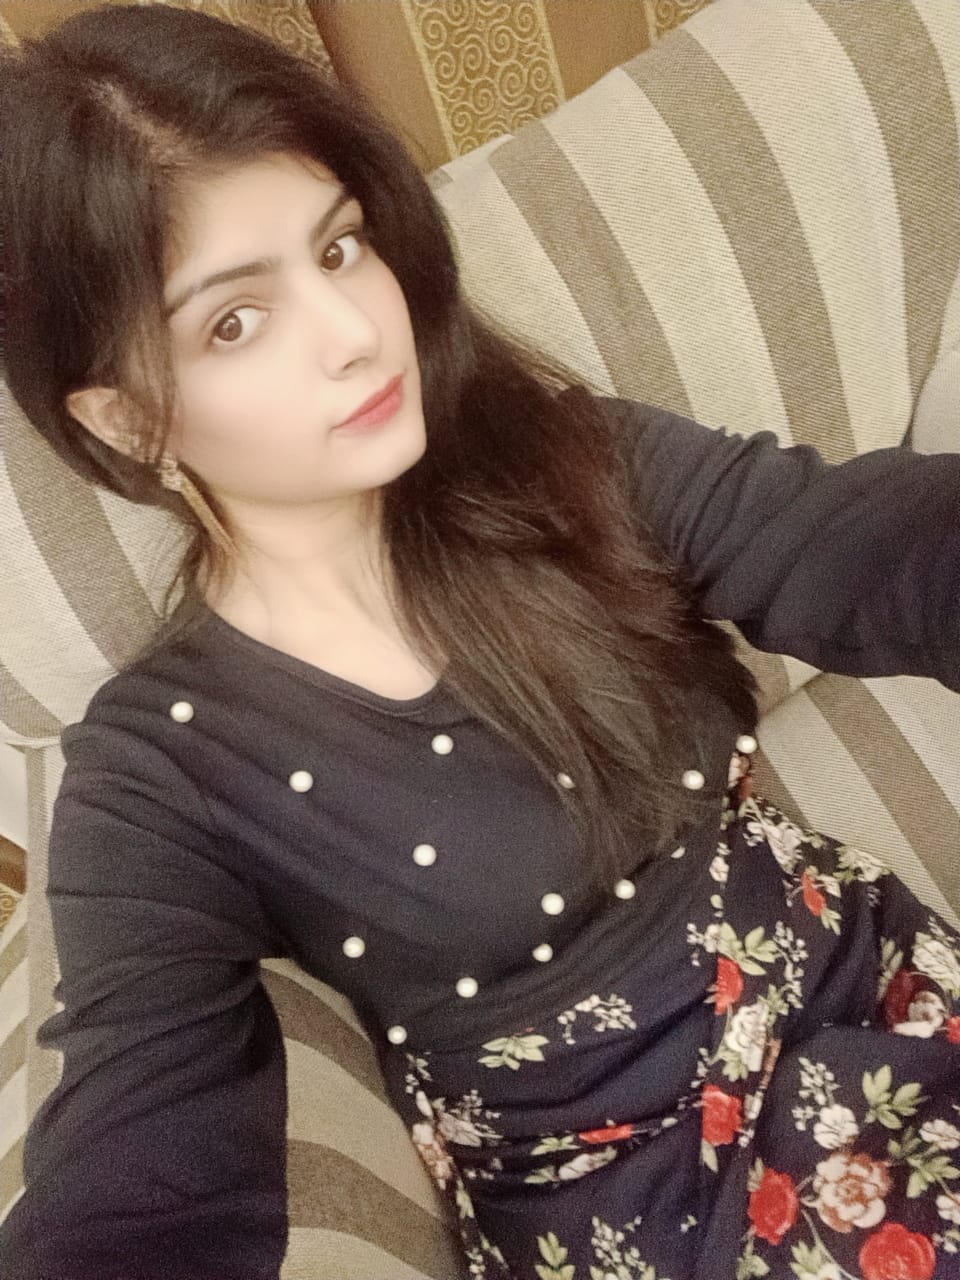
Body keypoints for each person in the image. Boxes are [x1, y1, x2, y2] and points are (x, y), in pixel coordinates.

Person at [1, 6, 959, 1279]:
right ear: (128, 420)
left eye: (339, 247)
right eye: (234, 320)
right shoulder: (156, 773)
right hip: (661, 1205)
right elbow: (137, 1149)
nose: (354, 330)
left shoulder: (568, 460)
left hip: (871, 998)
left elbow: (868, 545)